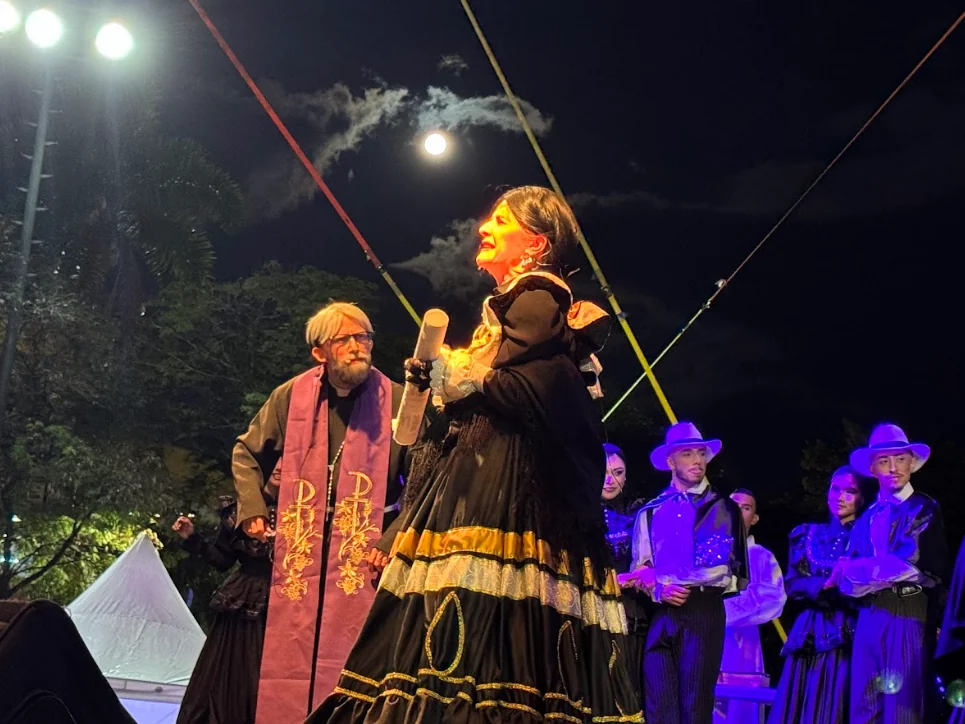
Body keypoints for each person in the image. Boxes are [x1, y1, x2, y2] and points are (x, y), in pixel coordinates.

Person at [309, 185, 640, 723]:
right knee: (461, 635)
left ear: (536, 244)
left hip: (504, 495)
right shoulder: (511, 312)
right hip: (478, 488)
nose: (484, 227)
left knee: (474, 638)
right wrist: (444, 380)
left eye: (501, 220)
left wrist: (459, 376)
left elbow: (528, 395)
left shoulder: (536, 297)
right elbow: (487, 406)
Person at [231, 302, 416, 724]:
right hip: (302, 550)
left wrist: (394, 538)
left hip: (370, 553)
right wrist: (253, 507)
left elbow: (427, 476)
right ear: (320, 352)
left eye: (363, 337)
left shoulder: (399, 401)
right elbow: (246, 452)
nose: (357, 346)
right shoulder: (290, 396)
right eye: (345, 339)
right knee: (289, 655)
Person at [626, 421, 748, 724]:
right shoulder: (651, 511)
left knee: (694, 707)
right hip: (663, 611)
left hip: (701, 609)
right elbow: (640, 568)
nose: (697, 461)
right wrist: (658, 589)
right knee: (659, 706)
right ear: (671, 462)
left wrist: (663, 579)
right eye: (688, 454)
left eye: (701, 453)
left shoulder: (723, 508)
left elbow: (720, 569)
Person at [829, 423, 948, 724]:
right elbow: (846, 583)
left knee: (904, 705)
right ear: (873, 468)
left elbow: (906, 565)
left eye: (900, 459)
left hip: (908, 611)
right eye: (884, 461)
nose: (894, 468)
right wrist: (862, 573)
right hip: (870, 614)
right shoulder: (867, 517)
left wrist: (859, 570)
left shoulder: (923, 508)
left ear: (911, 463)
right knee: (864, 702)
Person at [767, 466, 871, 724]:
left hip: (849, 628)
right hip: (809, 629)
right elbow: (792, 584)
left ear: (862, 498)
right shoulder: (807, 534)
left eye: (850, 491)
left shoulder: (868, 538)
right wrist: (825, 584)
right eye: (835, 489)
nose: (840, 496)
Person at [172, 495, 273, 724]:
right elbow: (223, 560)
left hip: (292, 597)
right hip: (244, 600)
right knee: (230, 673)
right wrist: (192, 538)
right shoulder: (240, 508)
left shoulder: (306, 507)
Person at [714, 488, 786, 724]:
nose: (737, 511)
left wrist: (718, 612)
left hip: (741, 644)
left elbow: (772, 599)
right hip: (703, 638)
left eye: (745, 508)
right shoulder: (705, 551)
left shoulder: (760, 556)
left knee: (739, 709)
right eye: (733, 505)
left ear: (754, 518)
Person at [602, 442, 650, 711]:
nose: (610, 480)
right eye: (604, 472)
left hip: (633, 614)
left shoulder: (639, 515)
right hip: (595, 612)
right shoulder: (578, 515)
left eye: (618, 473)